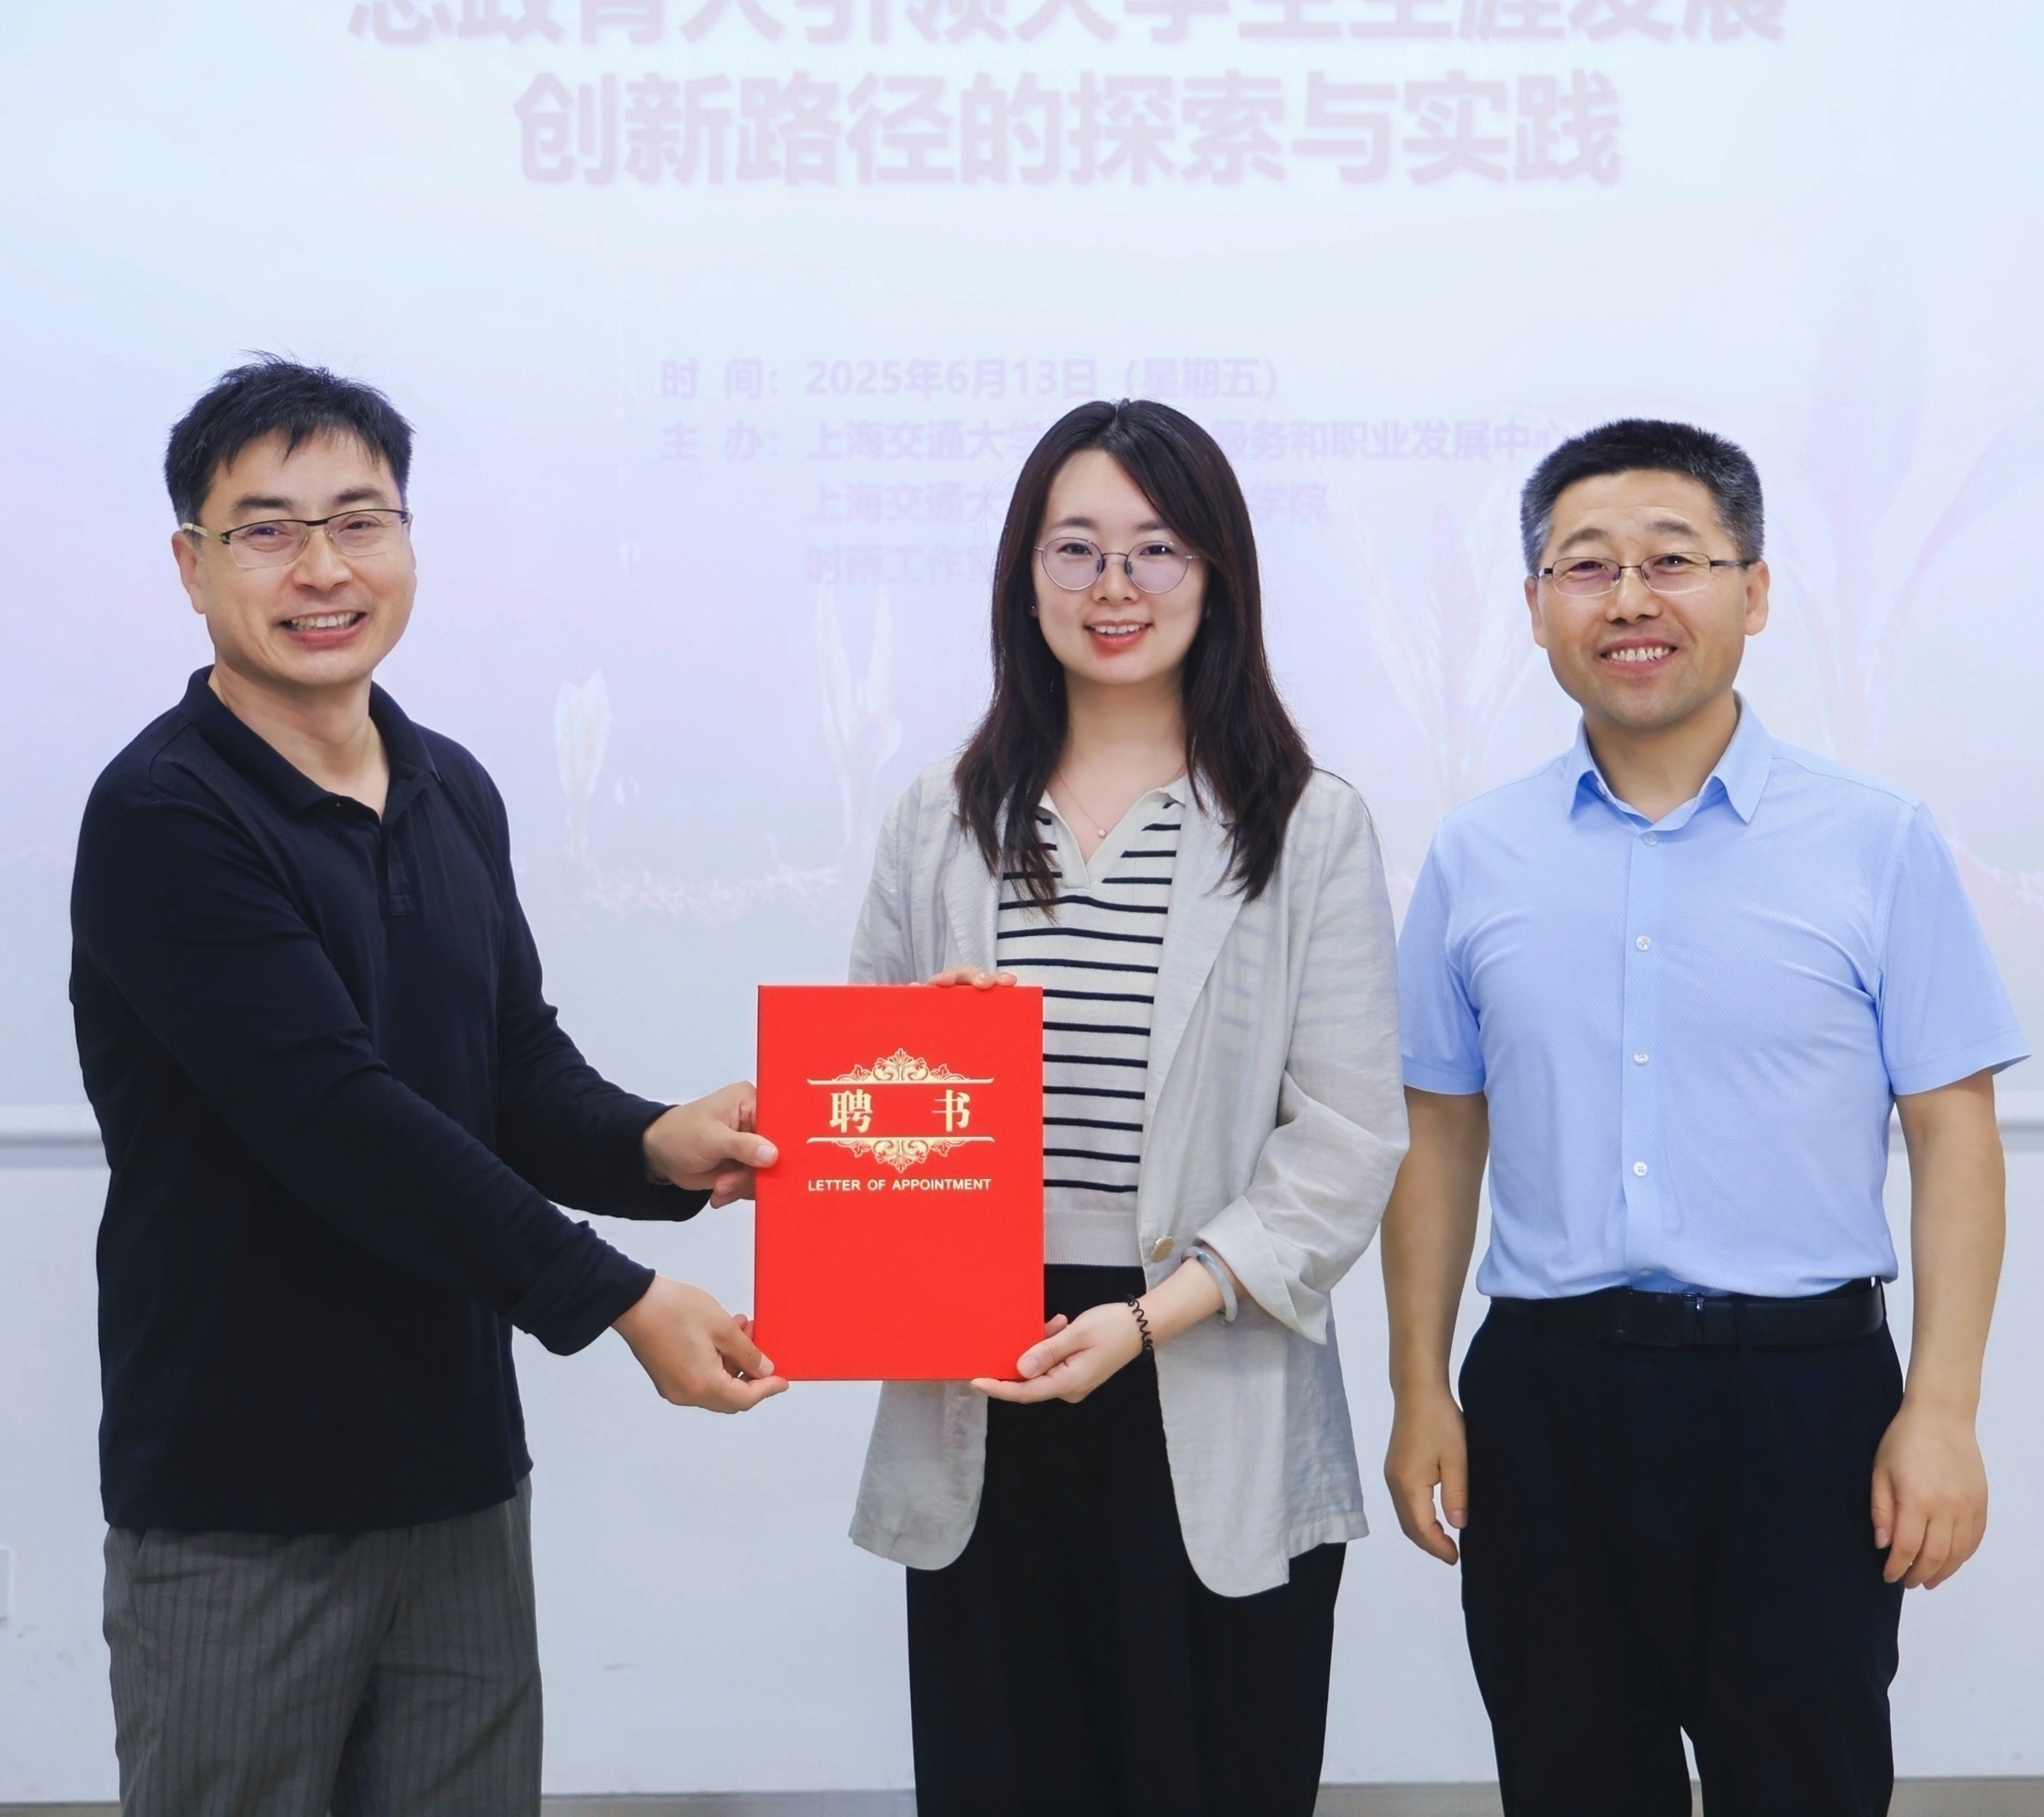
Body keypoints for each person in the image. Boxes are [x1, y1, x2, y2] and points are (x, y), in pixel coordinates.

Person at [68, 357, 784, 1817]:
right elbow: (341, 1123)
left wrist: (656, 1144)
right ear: (190, 567)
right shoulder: (162, 814)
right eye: (267, 531)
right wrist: (621, 1300)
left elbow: (506, 1069)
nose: (322, 569)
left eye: (359, 521)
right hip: (239, 1502)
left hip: (456, 1481)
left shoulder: (449, 784)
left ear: (405, 539)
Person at [1381, 418, 2021, 1817]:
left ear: (1755, 590)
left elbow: (1953, 1133)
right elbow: (1437, 1135)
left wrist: (1941, 1410)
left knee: (1803, 1782)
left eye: (1671, 560)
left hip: (1800, 1402)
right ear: (1535, 605)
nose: (1628, 599)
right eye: (1585, 566)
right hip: (1544, 1399)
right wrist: (1419, 1386)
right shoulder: (1477, 853)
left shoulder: (1874, 838)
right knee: (1568, 1783)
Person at [845, 399, 1406, 1816]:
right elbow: (865, 1112)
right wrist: (925, 1056)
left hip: (1202, 1352)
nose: (1114, 587)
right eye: (1075, 548)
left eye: (1156, 549)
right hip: (984, 1373)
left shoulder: (1306, 823)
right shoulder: (938, 817)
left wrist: (1149, 1319)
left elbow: (1346, 1142)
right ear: (1022, 574)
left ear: (1216, 575)